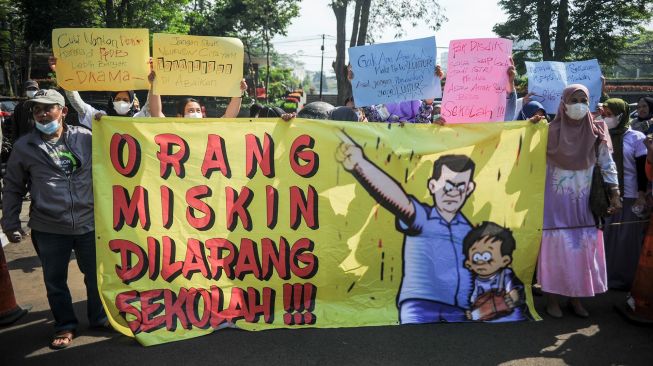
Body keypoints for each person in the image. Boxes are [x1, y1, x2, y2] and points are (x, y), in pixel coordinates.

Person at [0, 89, 107, 349]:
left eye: (49, 108)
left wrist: (110, 126)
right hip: (48, 228)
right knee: (55, 280)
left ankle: (99, 318)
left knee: (96, 277)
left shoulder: (87, 137)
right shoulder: (25, 147)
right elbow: (13, 186)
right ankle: (65, 325)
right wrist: (10, 222)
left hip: (88, 223)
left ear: (63, 112)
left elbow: (114, 160)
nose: (42, 113)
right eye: (37, 109)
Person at [336, 135, 477, 323]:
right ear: (433, 186)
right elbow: (395, 197)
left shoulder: (468, 229)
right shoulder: (423, 217)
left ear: (469, 189)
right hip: (419, 307)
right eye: (447, 185)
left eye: (460, 186)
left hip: (460, 310)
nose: (453, 192)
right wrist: (360, 164)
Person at [538, 84, 621, 318]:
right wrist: (530, 126)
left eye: (583, 99)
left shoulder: (597, 132)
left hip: (585, 201)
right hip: (554, 202)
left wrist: (615, 193)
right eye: (573, 100)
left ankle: (576, 298)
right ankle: (552, 300)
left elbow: (607, 164)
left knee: (580, 248)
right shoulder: (547, 132)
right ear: (563, 104)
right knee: (555, 248)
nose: (578, 105)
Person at [601, 98, 648, 290]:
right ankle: (604, 278)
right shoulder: (601, 136)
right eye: (604, 114)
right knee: (606, 238)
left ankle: (625, 280)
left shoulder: (636, 137)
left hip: (629, 195)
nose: (607, 118)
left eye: (610, 115)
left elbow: (641, 168)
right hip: (605, 195)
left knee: (626, 239)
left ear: (622, 115)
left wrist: (641, 195)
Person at [48, 56, 151, 127]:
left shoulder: (138, 119)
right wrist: (62, 74)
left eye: (125, 99)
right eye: (118, 99)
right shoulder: (101, 118)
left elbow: (149, 107)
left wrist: (154, 79)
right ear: (112, 101)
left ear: (132, 102)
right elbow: (78, 104)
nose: (121, 102)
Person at [463, 221, 528, 322]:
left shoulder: (504, 275)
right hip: (486, 310)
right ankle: (475, 315)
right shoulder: (476, 280)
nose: (481, 261)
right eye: (476, 257)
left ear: (505, 260)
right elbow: (474, 297)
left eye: (486, 256)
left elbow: (512, 291)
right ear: (469, 263)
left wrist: (512, 299)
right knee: (478, 312)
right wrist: (472, 309)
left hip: (504, 312)